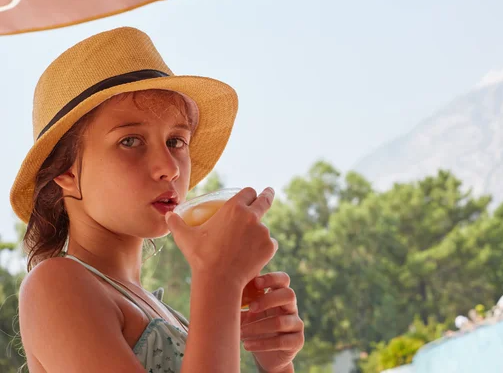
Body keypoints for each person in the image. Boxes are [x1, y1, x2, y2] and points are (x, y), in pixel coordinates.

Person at [14, 27, 304, 372]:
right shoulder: (55, 285)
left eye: (176, 141)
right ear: (65, 171)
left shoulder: (164, 312)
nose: (169, 168)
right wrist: (219, 277)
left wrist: (276, 364)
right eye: (130, 141)